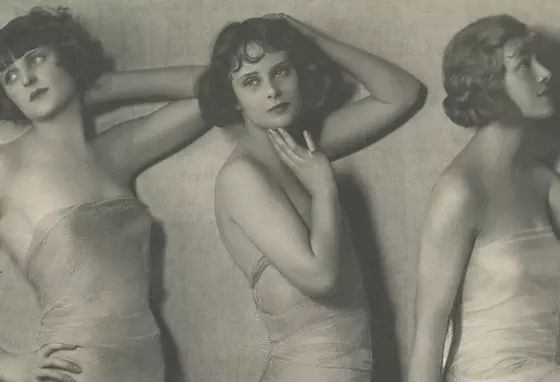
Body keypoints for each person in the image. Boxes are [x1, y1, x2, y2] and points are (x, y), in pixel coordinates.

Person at [198, 14, 422, 381]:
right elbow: (320, 278)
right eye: (251, 81)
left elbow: (402, 93)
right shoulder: (243, 176)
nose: (272, 90)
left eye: (282, 71)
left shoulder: (303, 150)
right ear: (234, 98)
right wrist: (323, 188)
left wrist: (311, 37)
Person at [0, 7, 209, 382]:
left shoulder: (115, 152)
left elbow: (219, 88)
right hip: (71, 372)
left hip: (150, 365)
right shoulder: (6, 164)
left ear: (67, 55)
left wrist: (98, 87)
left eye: (36, 59)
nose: (27, 79)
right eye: (10, 76)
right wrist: (6, 365)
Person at [408, 14, 560, 382]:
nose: (545, 74)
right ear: (489, 84)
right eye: (524, 64)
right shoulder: (460, 191)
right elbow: (428, 335)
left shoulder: (545, 182)